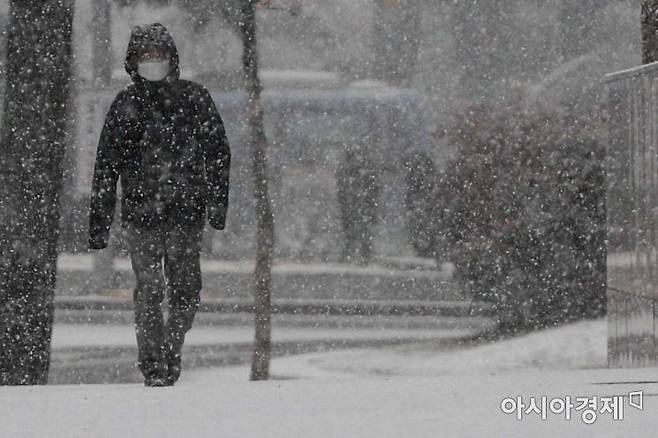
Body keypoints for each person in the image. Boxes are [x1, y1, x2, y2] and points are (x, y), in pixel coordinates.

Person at [88, 23, 230, 387]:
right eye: (146, 57)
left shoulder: (194, 99)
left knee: (185, 288)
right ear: (134, 62)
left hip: (186, 214)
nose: (153, 63)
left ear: (172, 59)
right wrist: (99, 223)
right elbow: (107, 163)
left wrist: (216, 204)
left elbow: (217, 153)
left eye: (159, 56)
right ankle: (153, 362)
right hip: (142, 216)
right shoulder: (126, 104)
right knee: (149, 288)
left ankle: (171, 348)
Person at [336, 148, 380, 265]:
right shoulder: (355, 173)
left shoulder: (361, 174)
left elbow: (374, 190)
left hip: (358, 208)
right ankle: (355, 255)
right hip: (356, 209)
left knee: (360, 233)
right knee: (355, 233)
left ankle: (358, 256)